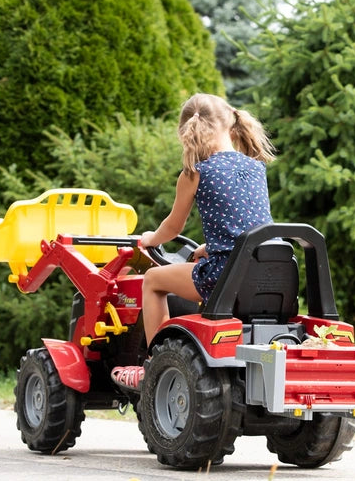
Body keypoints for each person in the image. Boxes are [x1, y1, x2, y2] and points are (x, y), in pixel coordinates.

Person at [111, 92, 276, 390]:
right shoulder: (256, 167)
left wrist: (150, 238)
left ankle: (157, 365)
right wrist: (209, 247)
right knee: (198, 261)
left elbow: (172, 228)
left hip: (223, 275)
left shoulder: (195, 173)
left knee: (152, 280)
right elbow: (250, 226)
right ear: (231, 125)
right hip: (263, 272)